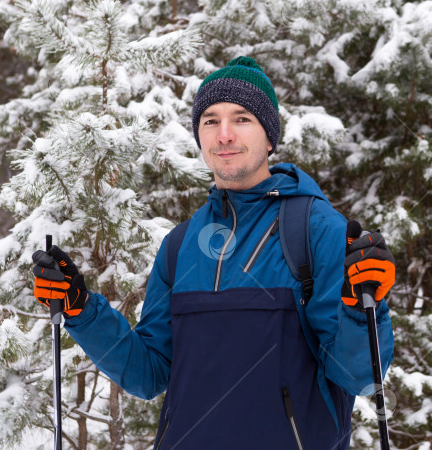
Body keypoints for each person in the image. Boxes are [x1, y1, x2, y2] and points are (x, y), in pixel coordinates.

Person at [32, 56, 396, 449]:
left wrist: (363, 310)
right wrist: (80, 309)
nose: (224, 135)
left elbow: (357, 375)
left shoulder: (316, 230)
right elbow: (149, 373)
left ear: (269, 137)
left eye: (242, 119)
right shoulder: (181, 244)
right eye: (210, 120)